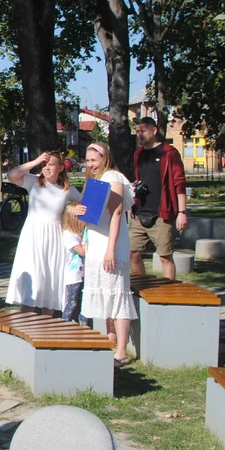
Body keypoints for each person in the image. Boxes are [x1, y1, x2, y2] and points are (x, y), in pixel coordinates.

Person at [76, 143, 136, 367]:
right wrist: (79, 214)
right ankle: (110, 336)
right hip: (95, 241)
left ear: (105, 158)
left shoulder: (113, 178)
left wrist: (111, 249)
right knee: (102, 291)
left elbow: (117, 213)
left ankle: (121, 350)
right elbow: (88, 218)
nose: (90, 164)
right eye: (88, 160)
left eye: (94, 160)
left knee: (117, 292)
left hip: (111, 243)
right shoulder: (94, 182)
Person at [4, 152, 81, 315]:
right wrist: (36, 160)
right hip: (33, 236)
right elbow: (12, 175)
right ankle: (25, 322)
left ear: (61, 168)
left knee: (50, 283)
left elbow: (83, 204)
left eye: (51, 164)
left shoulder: (67, 190)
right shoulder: (33, 182)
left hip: (55, 239)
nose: (46, 168)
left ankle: (48, 327)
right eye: (44, 165)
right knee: (32, 282)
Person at [129, 117, 188, 280]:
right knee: (132, 254)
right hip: (139, 213)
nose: (139, 134)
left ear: (154, 131)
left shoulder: (169, 153)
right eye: (137, 131)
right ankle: (142, 287)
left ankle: (169, 295)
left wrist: (182, 212)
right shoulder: (138, 154)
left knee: (164, 257)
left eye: (143, 131)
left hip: (162, 213)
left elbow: (179, 184)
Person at [60, 201, 87, 325]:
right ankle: (65, 322)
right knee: (73, 301)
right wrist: (87, 243)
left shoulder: (78, 234)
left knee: (83, 301)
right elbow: (82, 252)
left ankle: (83, 324)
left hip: (82, 274)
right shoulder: (69, 235)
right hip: (73, 276)